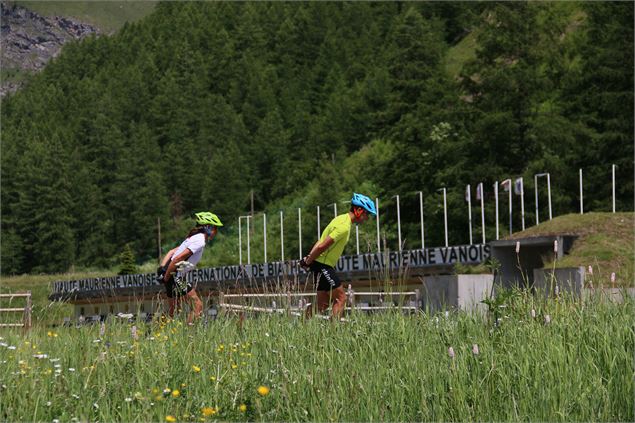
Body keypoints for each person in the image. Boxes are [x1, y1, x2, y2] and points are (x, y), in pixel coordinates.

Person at [300, 193, 376, 319]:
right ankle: (333, 334)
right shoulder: (344, 226)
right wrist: (308, 261)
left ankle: (301, 326)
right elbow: (322, 246)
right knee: (341, 298)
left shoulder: (340, 218)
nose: (366, 218)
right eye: (366, 214)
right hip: (323, 265)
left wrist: (309, 259)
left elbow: (320, 240)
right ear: (358, 210)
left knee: (322, 305)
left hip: (320, 264)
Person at [157, 211, 223, 323]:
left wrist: (162, 269)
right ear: (208, 227)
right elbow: (178, 258)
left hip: (172, 274)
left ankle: (154, 332)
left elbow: (172, 252)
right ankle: (189, 335)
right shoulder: (199, 241)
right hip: (175, 276)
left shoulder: (193, 237)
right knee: (197, 306)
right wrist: (167, 276)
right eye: (215, 228)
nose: (215, 232)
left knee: (174, 311)